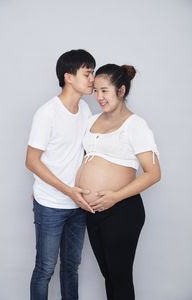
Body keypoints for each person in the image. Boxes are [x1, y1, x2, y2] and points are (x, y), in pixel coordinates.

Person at [75, 63, 161, 300]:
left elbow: (153, 173)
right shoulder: (91, 121)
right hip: (93, 211)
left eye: (105, 91)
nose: (99, 97)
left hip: (121, 210)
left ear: (121, 91)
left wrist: (114, 197)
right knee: (109, 276)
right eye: (96, 91)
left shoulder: (135, 125)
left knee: (120, 278)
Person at [25, 49, 96, 300]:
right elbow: (31, 161)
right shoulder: (47, 113)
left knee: (71, 268)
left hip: (79, 205)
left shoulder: (86, 109)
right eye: (87, 73)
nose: (92, 79)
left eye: (93, 73)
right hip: (51, 204)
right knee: (45, 269)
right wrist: (69, 191)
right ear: (68, 77)